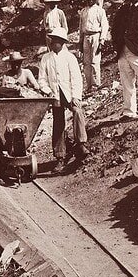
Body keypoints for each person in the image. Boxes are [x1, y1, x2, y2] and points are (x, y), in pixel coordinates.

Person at [37, 27, 88, 171]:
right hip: (55, 94)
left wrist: (76, 96)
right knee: (58, 122)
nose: (52, 43)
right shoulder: (46, 58)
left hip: (68, 92)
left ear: (61, 43)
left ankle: (81, 143)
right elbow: (42, 79)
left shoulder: (69, 57)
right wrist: (48, 91)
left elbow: (76, 78)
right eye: (52, 40)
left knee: (77, 111)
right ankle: (60, 156)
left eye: (55, 41)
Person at [78, 0, 109, 94]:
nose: (90, 1)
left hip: (96, 36)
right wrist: (80, 42)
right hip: (86, 37)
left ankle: (96, 84)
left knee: (95, 61)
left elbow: (104, 26)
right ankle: (89, 85)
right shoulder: (83, 11)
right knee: (86, 62)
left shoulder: (100, 11)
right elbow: (81, 27)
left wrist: (102, 40)